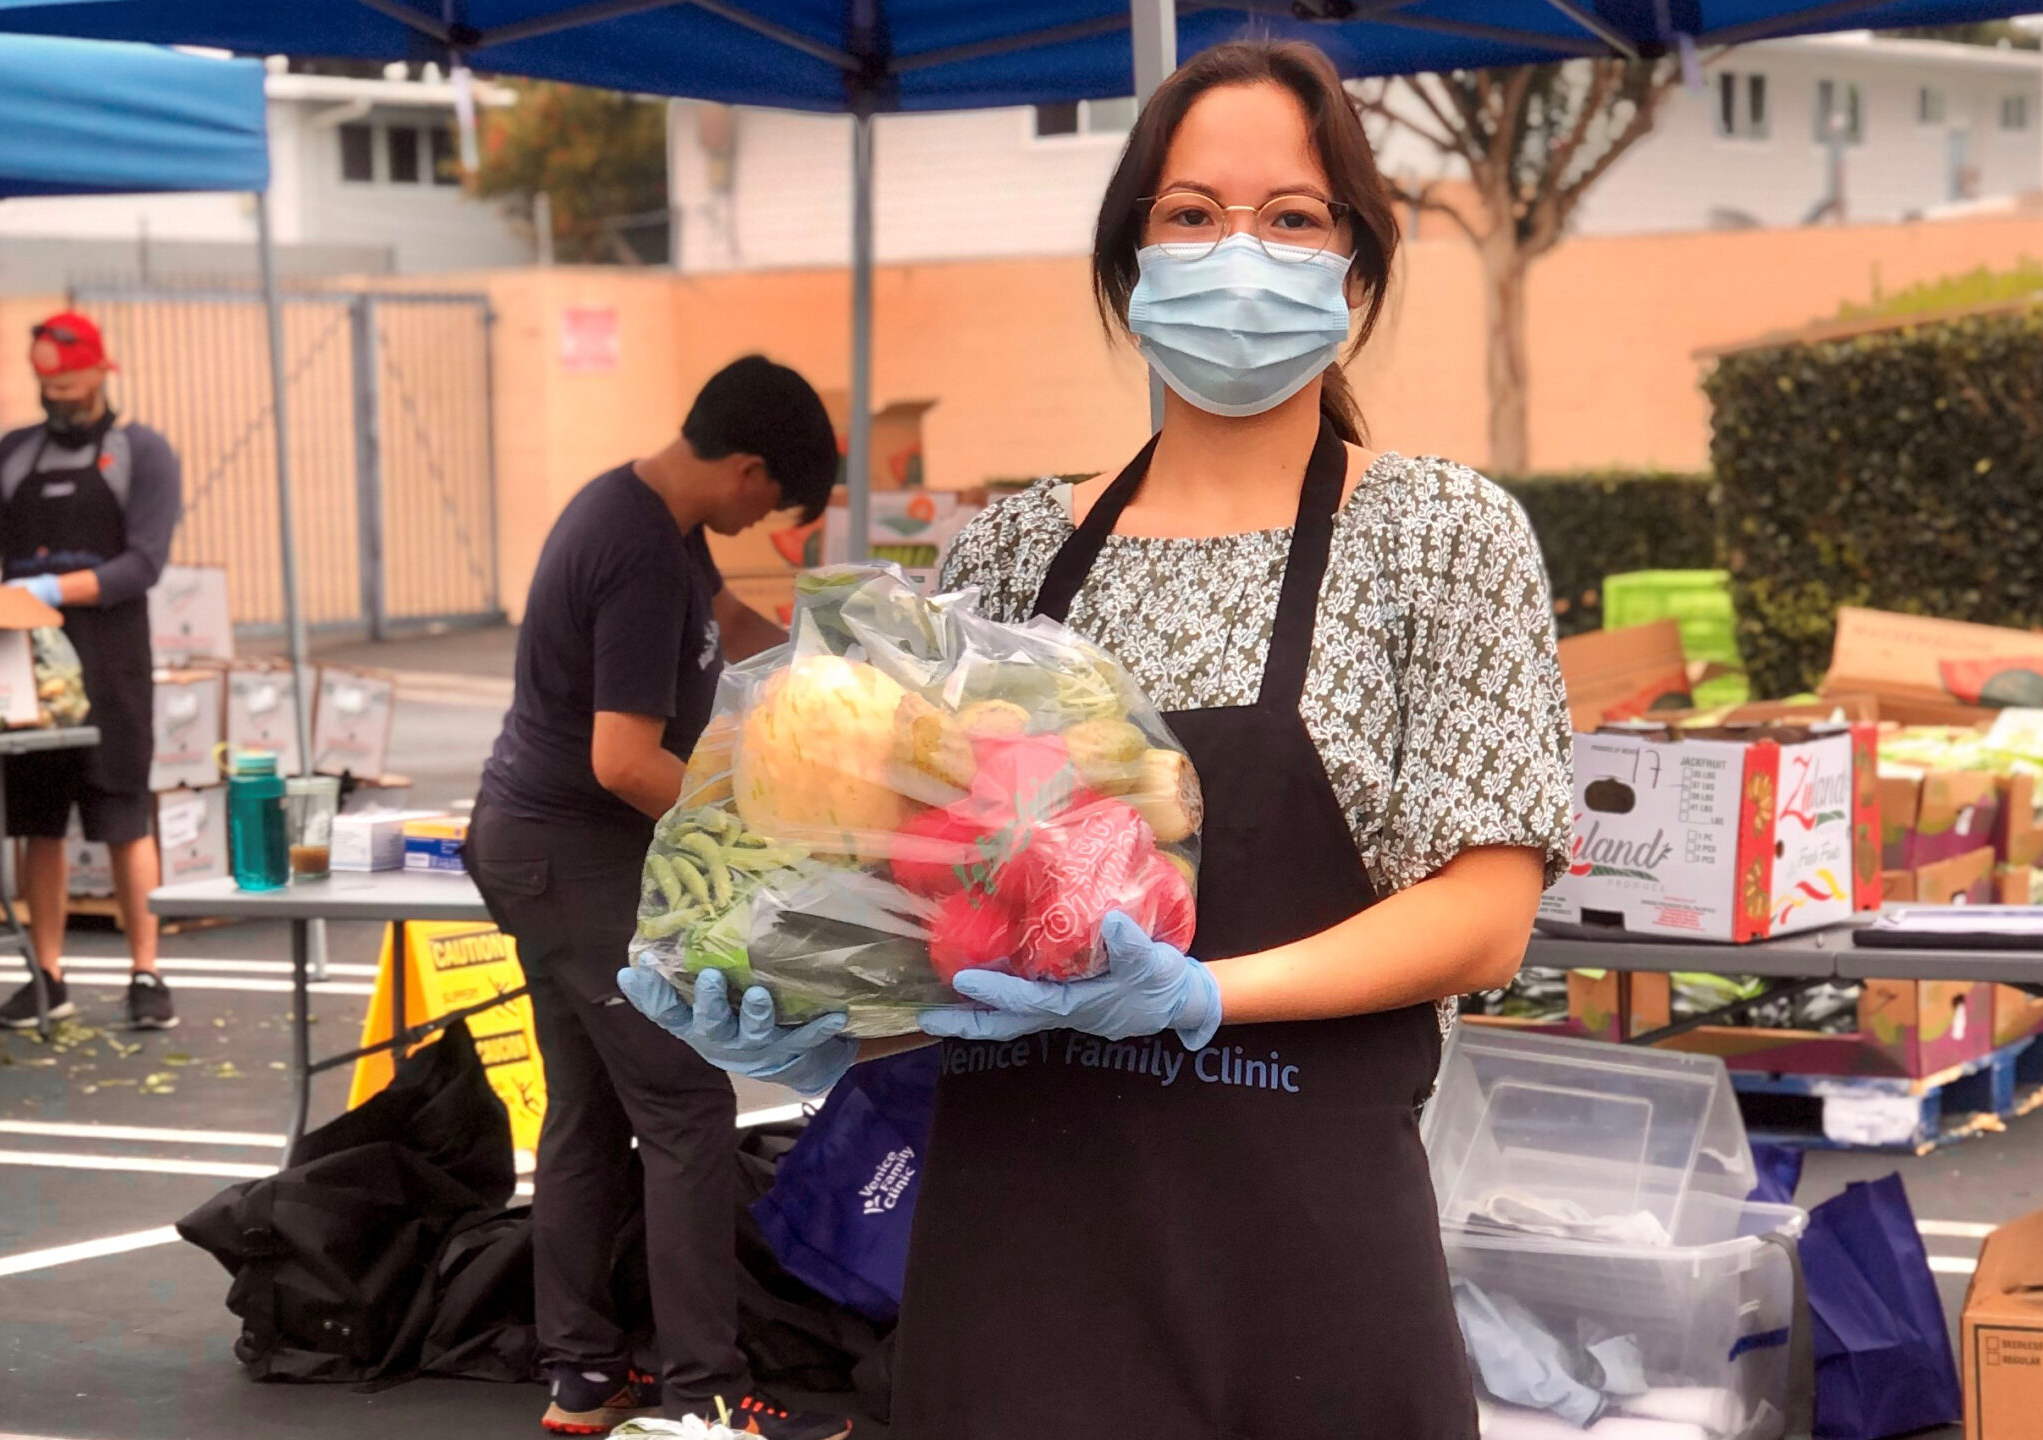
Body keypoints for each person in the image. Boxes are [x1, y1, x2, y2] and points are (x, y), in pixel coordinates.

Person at [620, 40, 1573, 1439]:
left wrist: (1200, 995)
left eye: (1291, 216)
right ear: (1133, 266)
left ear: (1355, 273)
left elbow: (1488, 917)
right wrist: (816, 1006)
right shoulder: (1009, 553)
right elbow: (910, 890)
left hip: (1310, 1276)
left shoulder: (1441, 535)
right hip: (1023, 1268)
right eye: (1190, 213)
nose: (1236, 247)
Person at [467, 357, 854, 1439]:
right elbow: (624, 760)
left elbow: (727, 618)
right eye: (767, 501)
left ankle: (584, 1377)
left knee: (588, 1115)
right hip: (573, 855)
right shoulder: (635, 549)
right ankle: (706, 1398)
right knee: (686, 1108)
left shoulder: (651, 515)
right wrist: (768, 838)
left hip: (540, 854)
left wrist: (842, 682)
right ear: (743, 469)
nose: (757, 520)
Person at [0, 312, 184, 1033]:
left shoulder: (141, 454)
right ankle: (46, 974)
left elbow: (143, 563)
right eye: (45, 382)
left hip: (110, 660)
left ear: (100, 372)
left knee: (121, 814)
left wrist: (57, 588)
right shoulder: (15, 454)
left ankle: (146, 970)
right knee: (37, 824)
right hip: (22, 663)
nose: (57, 394)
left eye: (68, 380)